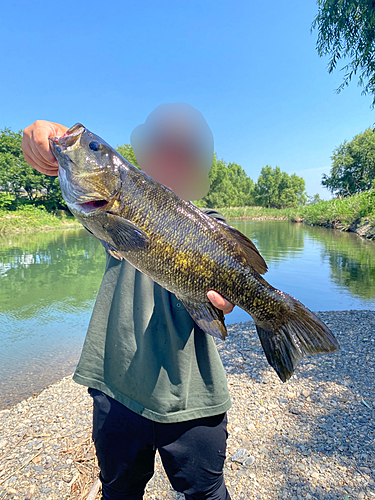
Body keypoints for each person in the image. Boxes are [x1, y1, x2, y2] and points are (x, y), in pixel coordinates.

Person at [22, 106, 235, 500]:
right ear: (144, 159)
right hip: (115, 387)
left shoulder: (209, 222)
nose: (171, 160)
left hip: (192, 396)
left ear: (196, 166)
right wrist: (44, 134)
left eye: (183, 153)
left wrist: (224, 303)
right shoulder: (111, 206)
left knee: (207, 493)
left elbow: (223, 296)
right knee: (119, 491)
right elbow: (61, 139)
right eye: (162, 150)